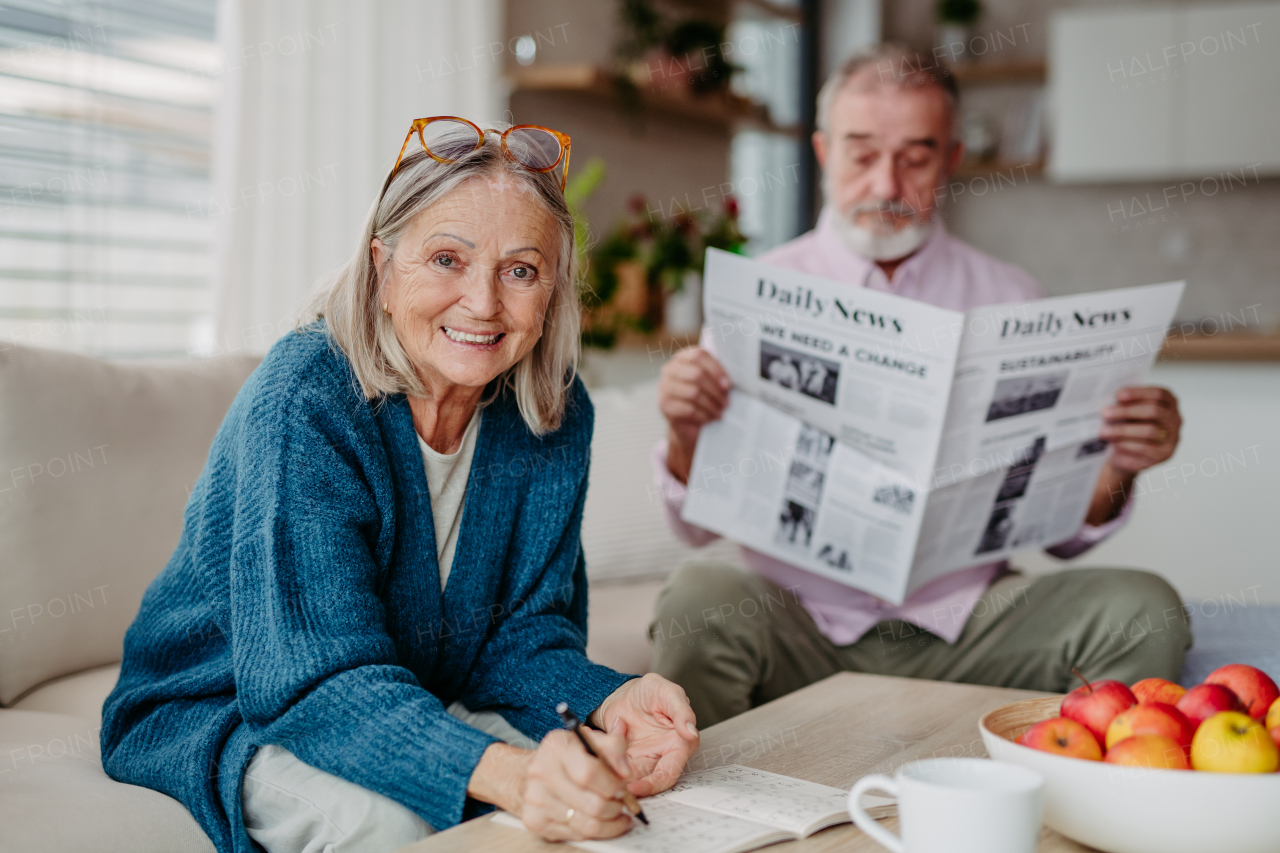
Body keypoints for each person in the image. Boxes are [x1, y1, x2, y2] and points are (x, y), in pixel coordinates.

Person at [101, 118, 698, 853]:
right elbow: (311, 678)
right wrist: (510, 773)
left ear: (552, 292)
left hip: (402, 695)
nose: (482, 303)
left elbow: (524, 637)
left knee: (605, 784)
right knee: (387, 823)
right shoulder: (308, 397)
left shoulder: (554, 415)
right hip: (232, 703)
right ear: (383, 271)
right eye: (447, 259)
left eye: (520, 270)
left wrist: (611, 697)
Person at [651, 46, 1189, 727]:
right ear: (822, 151)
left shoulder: (1011, 294)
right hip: (800, 628)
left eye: (916, 157)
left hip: (967, 626)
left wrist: (1120, 462)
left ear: (953, 159)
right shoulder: (757, 292)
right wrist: (683, 432)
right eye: (862, 153)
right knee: (697, 595)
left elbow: (1062, 538)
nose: (885, 183)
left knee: (1145, 607)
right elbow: (694, 528)